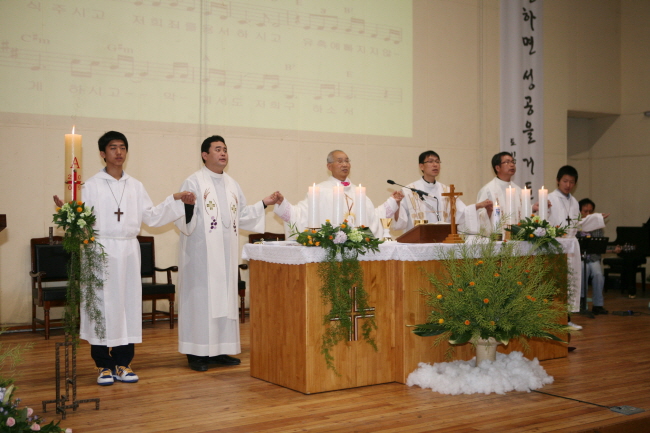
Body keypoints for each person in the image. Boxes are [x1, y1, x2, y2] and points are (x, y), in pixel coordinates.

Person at [54, 131, 195, 386]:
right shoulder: (90, 186)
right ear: (102, 153)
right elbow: (79, 220)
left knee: (127, 305)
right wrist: (68, 212)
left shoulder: (135, 186)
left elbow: (152, 216)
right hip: (99, 250)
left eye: (122, 147)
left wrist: (174, 199)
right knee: (100, 305)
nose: (118, 152)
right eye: (112, 147)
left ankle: (123, 362)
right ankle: (103, 365)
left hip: (128, 250)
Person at [175, 135, 282, 372]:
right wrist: (189, 207)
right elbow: (182, 217)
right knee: (201, 302)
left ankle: (219, 350)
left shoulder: (232, 184)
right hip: (200, 257)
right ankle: (197, 353)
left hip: (225, 256)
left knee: (224, 300)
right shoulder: (193, 182)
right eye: (217, 149)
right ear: (204, 155)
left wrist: (264, 203)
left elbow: (242, 215)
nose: (223, 153)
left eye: (225, 149)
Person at [273, 150, 406, 237]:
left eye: (347, 161)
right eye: (340, 161)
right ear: (329, 166)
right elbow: (300, 214)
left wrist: (393, 202)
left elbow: (373, 217)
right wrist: (282, 204)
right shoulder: (319, 190)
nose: (345, 165)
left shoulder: (358, 192)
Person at [401, 150, 492, 233]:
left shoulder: (447, 191)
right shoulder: (409, 191)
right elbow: (400, 220)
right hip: (417, 240)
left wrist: (477, 206)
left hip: (442, 239)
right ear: (421, 166)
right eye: (430, 161)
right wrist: (396, 203)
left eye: (437, 161)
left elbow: (461, 214)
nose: (435, 165)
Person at [578, 198, 619, 315]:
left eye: (591, 211)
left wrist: (613, 250)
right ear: (579, 211)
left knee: (598, 274)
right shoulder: (575, 225)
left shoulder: (597, 227)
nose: (588, 214)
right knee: (583, 270)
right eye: (585, 211)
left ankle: (598, 305)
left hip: (593, 258)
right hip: (579, 258)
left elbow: (600, 247)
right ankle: (581, 301)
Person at [476, 152, 524, 234]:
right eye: (507, 162)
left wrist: (533, 208)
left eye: (513, 162)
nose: (512, 165)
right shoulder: (488, 190)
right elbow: (479, 216)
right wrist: (488, 212)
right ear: (497, 168)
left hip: (517, 236)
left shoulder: (518, 190)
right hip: (496, 237)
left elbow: (522, 211)